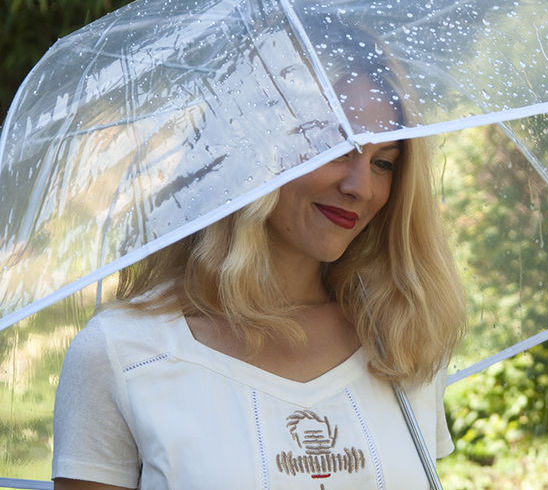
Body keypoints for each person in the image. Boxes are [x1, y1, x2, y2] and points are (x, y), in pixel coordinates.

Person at [50, 23, 465, 490]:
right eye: (333, 145)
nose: (360, 187)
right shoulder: (122, 353)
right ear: (248, 145)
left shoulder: (397, 336)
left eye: (383, 162)